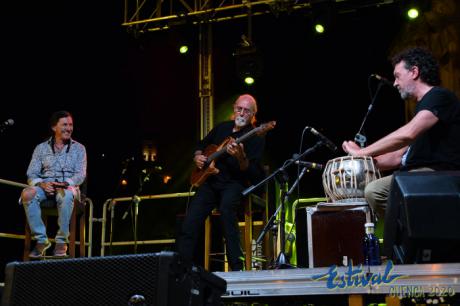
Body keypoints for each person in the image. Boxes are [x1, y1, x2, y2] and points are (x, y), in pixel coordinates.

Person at [342, 47, 460, 221]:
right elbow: (398, 156)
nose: (395, 83)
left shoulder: (440, 96)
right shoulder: (422, 109)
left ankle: (412, 234)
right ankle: (412, 236)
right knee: (363, 189)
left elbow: (407, 134)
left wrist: (362, 152)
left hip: (438, 174)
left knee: (374, 191)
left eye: (397, 76)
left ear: (414, 72)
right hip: (418, 174)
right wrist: (360, 164)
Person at [177, 94, 266, 271]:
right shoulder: (222, 128)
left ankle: (236, 269)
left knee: (226, 210)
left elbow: (255, 175)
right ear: (234, 108)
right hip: (210, 181)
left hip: (234, 183)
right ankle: (181, 269)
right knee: (190, 220)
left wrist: (241, 158)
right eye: (239, 108)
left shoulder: (255, 137)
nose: (241, 113)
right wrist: (198, 157)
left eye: (247, 110)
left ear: (253, 114)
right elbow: (201, 144)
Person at [20, 110, 87, 258]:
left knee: (65, 195)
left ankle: (61, 241)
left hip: (66, 187)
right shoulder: (41, 148)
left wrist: (63, 184)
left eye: (71, 125)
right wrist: (42, 184)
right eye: (64, 125)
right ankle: (41, 240)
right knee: (27, 193)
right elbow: (32, 173)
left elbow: (80, 174)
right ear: (53, 127)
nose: (69, 128)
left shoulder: (79, 148)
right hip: (46, 186)